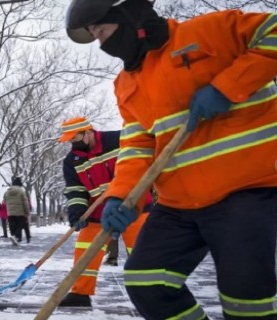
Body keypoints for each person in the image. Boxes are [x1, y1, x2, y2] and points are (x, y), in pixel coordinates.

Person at [66, 1, 277, 319]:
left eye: (103, 31)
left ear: (128, 16)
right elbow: (137, 146)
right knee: (146, 282)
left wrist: (228, 86)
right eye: (95, 36)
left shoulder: (206, 32)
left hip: (247, 188)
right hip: (178, 204)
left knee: (245, 294)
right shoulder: (127, 84)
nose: (102, 43)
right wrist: (120, 196)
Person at [58, 116, 152, 307]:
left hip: (134, 206)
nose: (73, 144)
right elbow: (76, 190)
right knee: (84, 252)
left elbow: (140, 164)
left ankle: (155, 293)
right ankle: (80, 294)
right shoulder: (72, 160)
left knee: (144, 251)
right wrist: (77, 212)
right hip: (97, 213)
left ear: (88, 132)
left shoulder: (119, 140)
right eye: (69, 140)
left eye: (75, 138)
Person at [3, 177, 31, 245]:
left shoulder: (7, 191)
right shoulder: (21, 191)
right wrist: (27, 212)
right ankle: (16, 237)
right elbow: (25, 202)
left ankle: (13, 236)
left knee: (12, 225)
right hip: (20, 212)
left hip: (10, 212)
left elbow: (4, 201)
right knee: (19, 225)